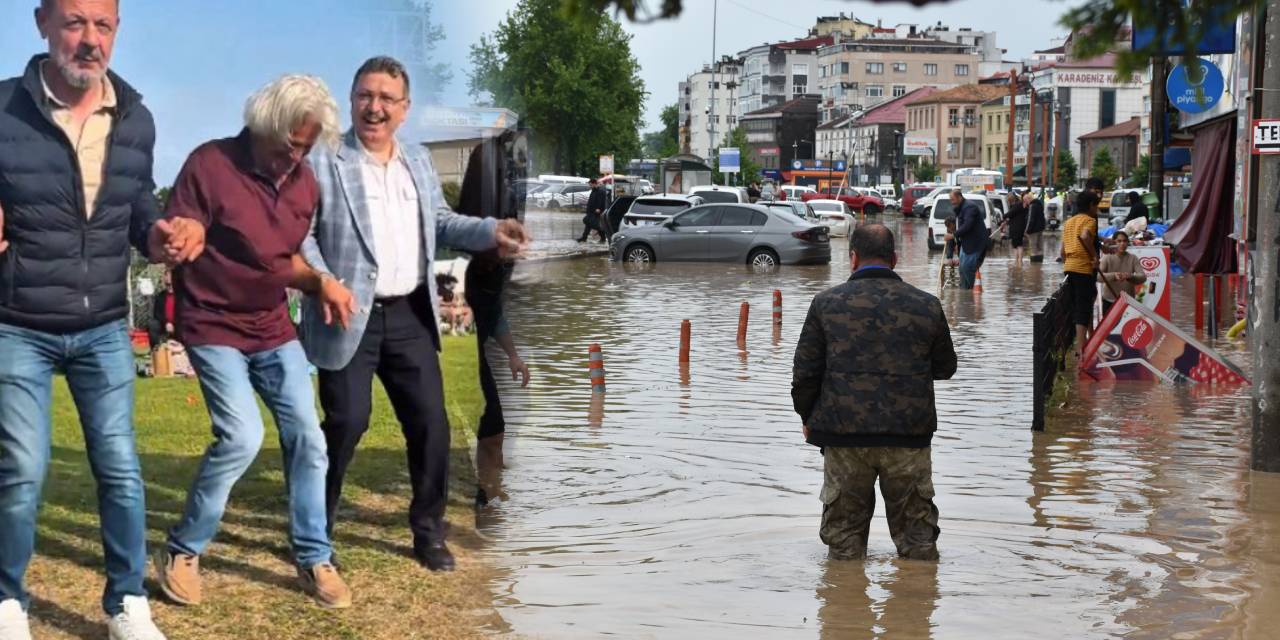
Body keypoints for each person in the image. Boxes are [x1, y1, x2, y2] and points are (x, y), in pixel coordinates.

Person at [0, 2, 203, 637]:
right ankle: (8, 602)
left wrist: (163, 232)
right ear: (41, 23)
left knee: (119, 467)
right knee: (22, 469)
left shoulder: (136, 116)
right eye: (74, 22)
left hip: (105, 326)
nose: (90, 41)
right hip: (17, 322)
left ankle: (125, 604)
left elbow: (137, 205)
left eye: (103, 26)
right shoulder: (3, 107)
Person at [296, 56, 529, 573]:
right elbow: (301, 233)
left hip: (410, 314)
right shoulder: (324, 159)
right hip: (346, 314)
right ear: (352, 99)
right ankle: (316, 533)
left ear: (404, 109)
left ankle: (429, 533)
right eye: (365, 96)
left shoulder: (418, 161)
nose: (374, 107)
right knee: (345, 424)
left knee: (432, 426)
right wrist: (324, 281)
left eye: (386, 99)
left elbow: (442, 223)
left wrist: (491, 231)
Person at [153, 75, 353, 610]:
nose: (295, 159)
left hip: (270, 325)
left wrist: (319, 280)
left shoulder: (305, 184)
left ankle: (314, 556)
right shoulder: (209, 164)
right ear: (263, 124)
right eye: (290, 146)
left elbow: (282, 260)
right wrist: (185, 234)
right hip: (212, 324)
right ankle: (183, 549)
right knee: (242, 436)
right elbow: (186, 225)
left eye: (306, 149)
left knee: (309, 436)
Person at [792, 223, 957, 561]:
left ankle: (845, 609)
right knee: (919, 546)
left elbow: (805, 375)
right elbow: (945, 367)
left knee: (844, 547)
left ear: (852, 258)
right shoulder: (926, 305)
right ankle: (916, 604)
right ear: (894, 258)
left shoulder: (826, 304)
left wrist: (808, 418)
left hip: (843, 437)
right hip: (908, 439)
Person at [455, 135, 532, 507]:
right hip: (456, 354)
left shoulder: (495, 272)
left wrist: (514, 357)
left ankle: (492, 491)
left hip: (477, 350)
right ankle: (485, 493)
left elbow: (495, 314)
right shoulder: (463, 264)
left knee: (495, 425)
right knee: (490, 421)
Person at [1061, 191, 1102, 358]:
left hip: (1069, 267)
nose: (1097, 210)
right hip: (1083, 268)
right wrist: (1094, 256)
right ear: (1091, 205)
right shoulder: (1089, 221)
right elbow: (1085, 236)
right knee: (1083, 307)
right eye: (1096, 206)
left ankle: (1085, 340)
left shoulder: (1069, 222)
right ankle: (1081, 348)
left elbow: (1062, 252)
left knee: (1083, 301)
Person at [1097, 231, 1146, 318]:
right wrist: (1114, 275)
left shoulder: (1133, 258)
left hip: (1128, 302)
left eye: (1124, 241)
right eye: (1119, 241)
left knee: (1128, 329)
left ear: (1128, 242)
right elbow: (1097, 277)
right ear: (1113, 242)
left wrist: (1130, 276)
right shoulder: (1107, 257)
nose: (1122, 244)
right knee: (1109, 330)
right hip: (1109, 301)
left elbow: (1142, 277)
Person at [948, 189, 986, 289]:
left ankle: (972, 290)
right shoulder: (959, 209)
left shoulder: (970, 207)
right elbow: (954, 233)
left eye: (953, 199)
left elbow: (967, 225)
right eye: (950, 200)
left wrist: (953, 235)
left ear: (959, 197)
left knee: (967, 268)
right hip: (965, 245)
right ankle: (964, 295)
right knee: (962, 269)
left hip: (975, 245)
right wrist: (949, 256)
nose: (951, 202)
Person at [577, 177, 608, 243]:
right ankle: (584, 238)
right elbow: (591, 201)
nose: (589, 186)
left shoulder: (600, 191)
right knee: (588, 224)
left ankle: (603, 237)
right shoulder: (593, 191)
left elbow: (601, 201)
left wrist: (599, 208)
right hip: (591, 211)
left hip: (596, 211)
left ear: (594, 184)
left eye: (590, 184)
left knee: (594, 224)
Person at [1005, 191, 1029, 267]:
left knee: (1017, 245)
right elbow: (1013, 215)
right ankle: (1018, 261)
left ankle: (1018, 261)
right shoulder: (1020, 205)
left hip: (1016, 228)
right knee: (1017, 244)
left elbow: (1010, 213)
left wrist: (1004, 216)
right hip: (1019, 227)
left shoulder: (1017, 205)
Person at [1025, 190, 1046, 263]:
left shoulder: (1032, 205)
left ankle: (1034, 267)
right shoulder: (1039, 204)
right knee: (1040, 248)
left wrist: (1027, 230)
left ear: (1029, 199)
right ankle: (1040, 265)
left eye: (1025, 201)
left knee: (1033, 248)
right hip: (1040, 229)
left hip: (1033, 230)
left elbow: (1031, 219)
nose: (1026, 203)